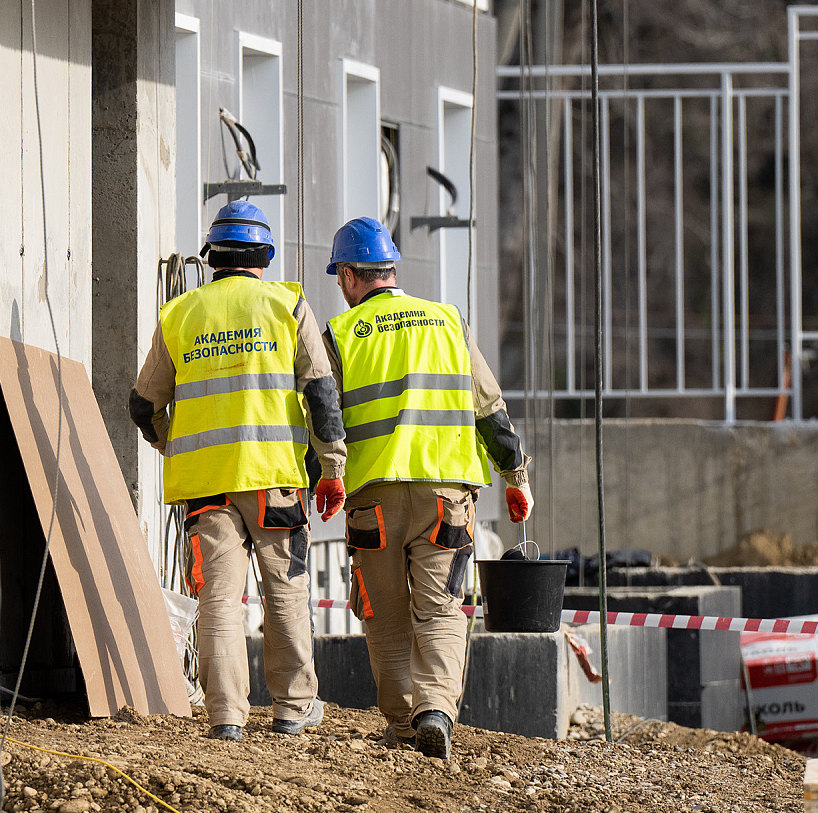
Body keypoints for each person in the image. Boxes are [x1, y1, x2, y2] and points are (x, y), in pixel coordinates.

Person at [128, 201, 348, 741]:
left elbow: (141, 404)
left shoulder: (179, 314)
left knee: (219, 601)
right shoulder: (287, 303)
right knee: (285, 592)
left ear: (212, 256)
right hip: (274, 479)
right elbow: (321, 392)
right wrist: (333, 465)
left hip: (206, 487)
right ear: (265, 256)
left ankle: (226, 716)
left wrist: (169, 444)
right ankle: (293, 708)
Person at [323, 217, 534, 759]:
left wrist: (316, 479)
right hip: (446, 497)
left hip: (373, 498)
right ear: (391, 270)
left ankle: (399, 724)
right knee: (440, 608)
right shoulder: (447, 322)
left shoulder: (341, 335)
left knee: (385, 614)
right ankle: (435, 711)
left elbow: (321, 420)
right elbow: (491, 409)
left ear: (349, 275)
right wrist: (516, 479)